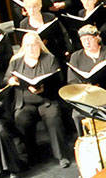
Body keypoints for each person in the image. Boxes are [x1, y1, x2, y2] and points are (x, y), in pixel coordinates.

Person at [7, 32, 71, 168]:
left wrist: (44, 87)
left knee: (53, 117)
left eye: (34, 45)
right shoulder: (16, 61)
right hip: (25, 103)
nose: (31, 48)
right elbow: (6, 78)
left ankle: (61, 156)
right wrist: (11, 80)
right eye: (28, 45)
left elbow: (58, 80)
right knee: (21, 119)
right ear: (23, 47)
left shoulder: (49, 58)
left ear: (40, 45)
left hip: (46, 100)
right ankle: (31, 155)